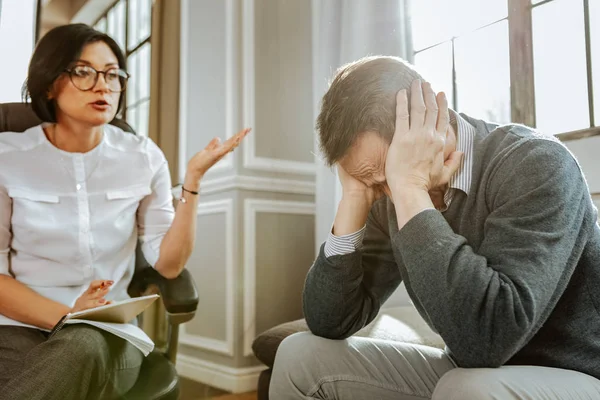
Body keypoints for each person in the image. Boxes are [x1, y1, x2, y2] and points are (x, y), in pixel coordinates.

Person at [269, 56, 600, 399]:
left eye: (387, 173)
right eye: (369, 180)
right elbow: (329, 321)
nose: (386, 193)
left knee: (467, 388)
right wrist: (353, 199)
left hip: (577, 374)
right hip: (469, 372)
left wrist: (409, 188)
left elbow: (486, 340)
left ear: (430, 122)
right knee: (299, 356)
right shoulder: (387, 192)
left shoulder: (537, 162)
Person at [0, 23, 249, 399]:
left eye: (113, 74)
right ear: (49, 83)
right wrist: (67, 315)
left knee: (81, 347)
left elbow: (167, 266)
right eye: (83, 71)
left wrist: (193, 181)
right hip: (18, 324)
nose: (103, 85)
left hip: (103, 331)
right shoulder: (7, 158)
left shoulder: (143, 156)